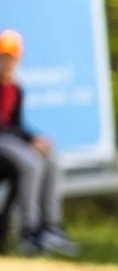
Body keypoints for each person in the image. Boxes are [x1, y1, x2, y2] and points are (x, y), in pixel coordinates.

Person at [0, 29, 79, 258]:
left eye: (11, 58)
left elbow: (16, 123)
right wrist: (28, 140)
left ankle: (51, 224)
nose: (7, 63)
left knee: (51, 159)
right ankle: (29, 228)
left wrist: (36, 139)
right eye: (4, 57)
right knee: (31, 163)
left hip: (10, 139)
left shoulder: (16, 89)